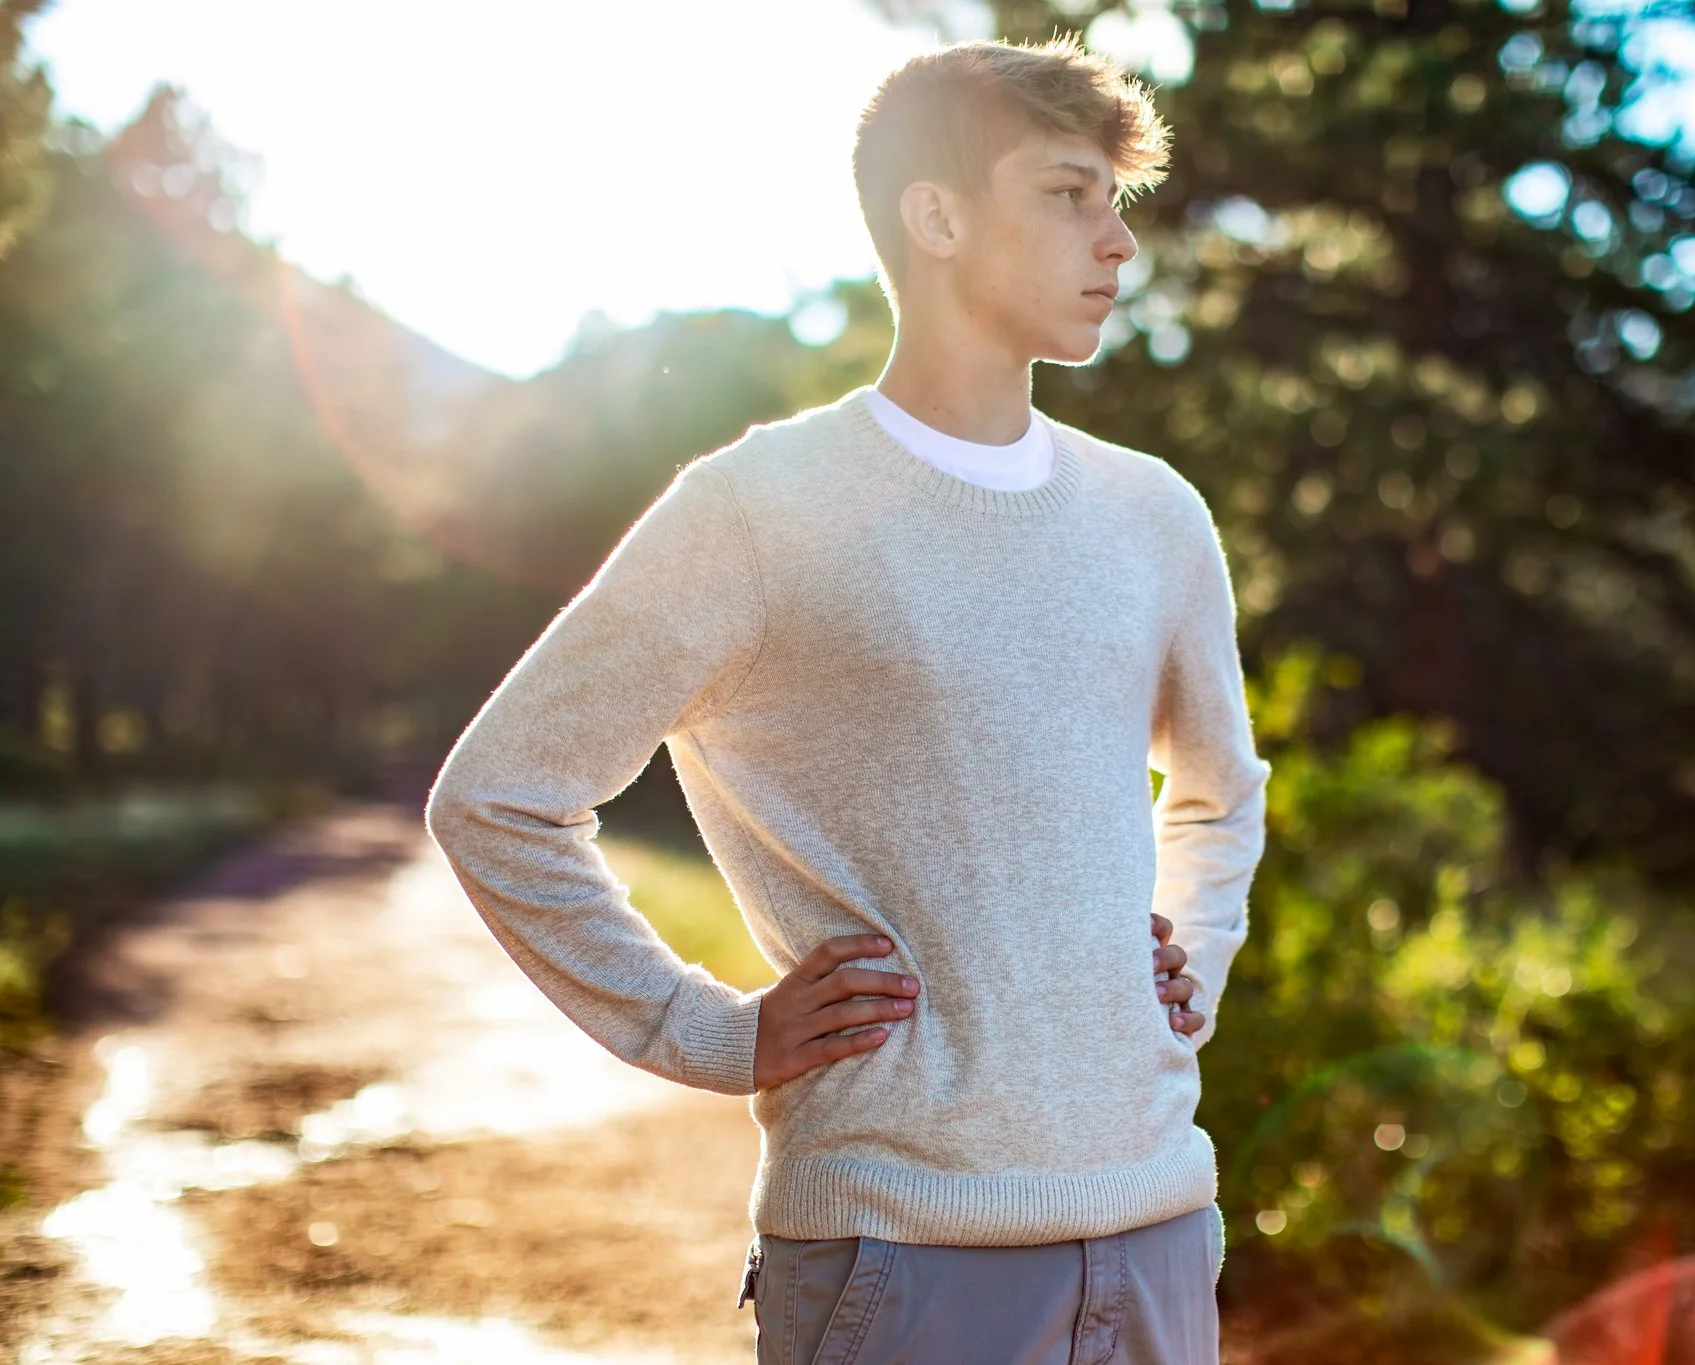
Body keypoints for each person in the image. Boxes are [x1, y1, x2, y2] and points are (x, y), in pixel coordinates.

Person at [424, 32, 1269, 1365]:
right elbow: (500, 798)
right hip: (899, 1254)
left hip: (1158, 1224)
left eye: (1118, 200)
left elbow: (1221, 793)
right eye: (1066, 194)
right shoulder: (757, 514)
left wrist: (1194, 951)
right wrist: (702, 1027)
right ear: (936, 217)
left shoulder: (1155, 518)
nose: (1116, 241)